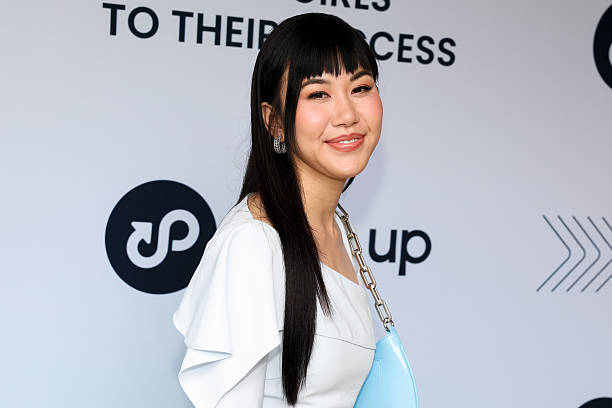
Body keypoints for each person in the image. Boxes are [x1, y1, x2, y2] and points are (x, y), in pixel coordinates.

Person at [173, 12, 383, 407]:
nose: (348, 115)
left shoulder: (337, 225)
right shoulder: (252, 244)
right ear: (274, 122)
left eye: (360, 88)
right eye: (318, 94)